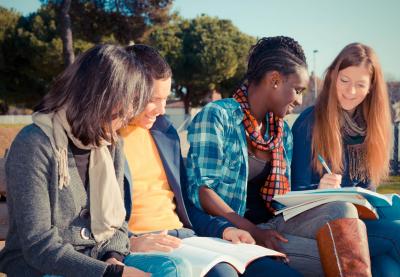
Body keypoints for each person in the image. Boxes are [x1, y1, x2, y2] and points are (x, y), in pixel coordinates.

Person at [186, 36, 372, 277]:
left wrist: (319, 195)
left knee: (342, 211)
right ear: (274, 80)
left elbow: (282, 200)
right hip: (231, 231)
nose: (299, 100)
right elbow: (203, 191)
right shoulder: (218, 116)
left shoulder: (281, 131)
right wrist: (255, 232)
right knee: (341, 258)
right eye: (297, 90)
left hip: (274, 223)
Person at [0, 44, 191, 277]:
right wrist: (110, 273)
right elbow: (39, 245)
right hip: (43, 267)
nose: (131, 113)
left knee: (175, 269)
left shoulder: (111, 142)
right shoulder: (34, 143)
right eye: (131, 102)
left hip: (99, 257)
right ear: (101, 97)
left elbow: (119, 224)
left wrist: (114, 258)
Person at [120, 44, 300, 277]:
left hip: (187, 236)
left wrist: (225, 229)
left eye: (165, 99)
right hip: (146, 243)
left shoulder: (164, 133)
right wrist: (129, 242)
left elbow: (187, 205)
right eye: (154, 99)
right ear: (128, 89)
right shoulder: (106, 140)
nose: (162, 110)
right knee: (224, 274)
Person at [292, 42, 400, 277]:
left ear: (371, 87)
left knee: (386, 267)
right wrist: (318, 189)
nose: (351, 92)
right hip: (320, 222)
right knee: (397, 235)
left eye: (360, 84)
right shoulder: (309, 123)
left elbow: (368, 191)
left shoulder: (372, 129)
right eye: (345, 81)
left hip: (361, 223)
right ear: (332, 76)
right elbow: (292, 191)